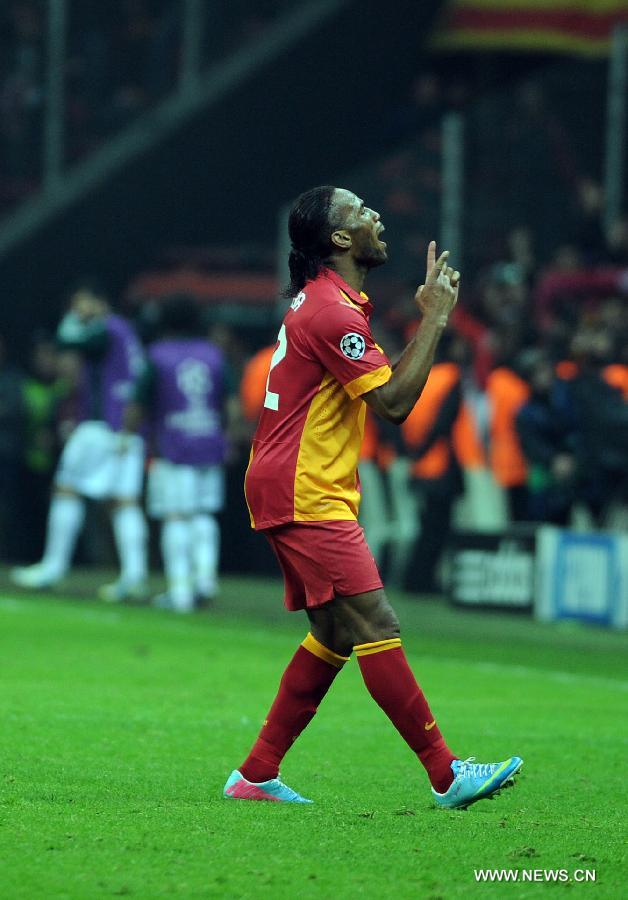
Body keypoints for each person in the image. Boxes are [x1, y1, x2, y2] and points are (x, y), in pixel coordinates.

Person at [223, 186, 522, 809]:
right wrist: (436, 317)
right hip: (304, 486)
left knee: (335, 631)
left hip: (297, 479)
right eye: (360, 212)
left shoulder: (329, 303)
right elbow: (392, 405)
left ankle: (255, 774)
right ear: (338, 240)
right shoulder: (332, 312)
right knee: (376, 622)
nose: (376, 216)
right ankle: (447, 775)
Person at [10, 280, 148, 600]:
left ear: (99, 302)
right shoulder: (126, 332)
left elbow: (66, 342)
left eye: (81, 303)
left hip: (101, 425)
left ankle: (52, 567)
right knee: (123, 501)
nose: (77, 310)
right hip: (129, 428)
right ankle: (135, 575)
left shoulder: (104, 329)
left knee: (66, 489)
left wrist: (72, 322)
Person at [124, 294, 236, 612]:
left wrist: (128, 434)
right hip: (209, 442)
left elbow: (138, 403)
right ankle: (205, 580)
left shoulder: (157, 355)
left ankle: (180, 592)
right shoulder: (213, 355)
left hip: (172, 446)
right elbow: (231, 403)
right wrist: (227, 436)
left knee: (176, 515)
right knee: (203, 512)